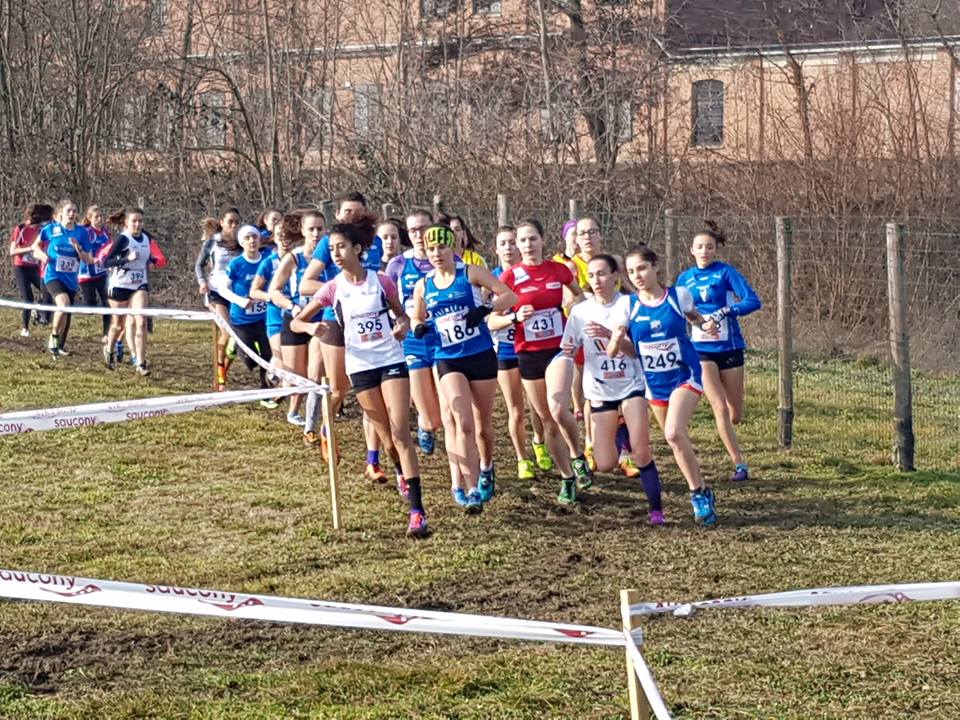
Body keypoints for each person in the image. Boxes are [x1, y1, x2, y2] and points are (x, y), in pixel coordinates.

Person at [291, 215, 430, 539]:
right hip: (360, 367)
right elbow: (297, 322)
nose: (336, 254)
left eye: (341, 247)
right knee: (386, 438)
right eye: (332, 249)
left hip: (391, 360)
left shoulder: (381, 281)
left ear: (357, 248)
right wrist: (310, 327)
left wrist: (402, 326)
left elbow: (401, 315)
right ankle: (399, 470)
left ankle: (417, 511)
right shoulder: (332, 288)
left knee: (400, 431)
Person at [608, 246, 719, 527]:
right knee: (676, 441)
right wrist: (615, 341)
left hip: (685, 375)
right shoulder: (627, 306)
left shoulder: (678, 296)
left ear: (655, 267)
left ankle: (696, 495)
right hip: (655, 385)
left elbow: (694, 317)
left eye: (642, 268)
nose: (637, 276)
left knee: (673, 432)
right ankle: (703, 488)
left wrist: (706, 326)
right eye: (631, 272)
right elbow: (631, 351)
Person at [410, 224, 517, 512]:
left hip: (479, 354)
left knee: (482, 427)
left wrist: (485, 309)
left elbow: (510, 297)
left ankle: (486, 466)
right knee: (462, 421)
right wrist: (418, 326)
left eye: (442, 247)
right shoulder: (424, 284)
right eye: (431, 249)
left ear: (453, 247)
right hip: (447, 358)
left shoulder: (470, 273)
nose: (437, 254)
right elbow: (417, 316)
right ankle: (470, 489)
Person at [561, 255, 665, 525]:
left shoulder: (629, 305)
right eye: (591, 275)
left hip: (631, 384)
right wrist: (560, 374)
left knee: (641, 452)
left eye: (602, 274)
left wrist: (611, 335)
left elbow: (636, 352)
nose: (596, 280)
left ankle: (656, 510)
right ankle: (620, 430)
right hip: (599, 389)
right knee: (605, 463)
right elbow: (568, 350)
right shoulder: (580, 312)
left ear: (616, 276)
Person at [496, 219, 590, 505]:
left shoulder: (558, 270)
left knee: (558, 408)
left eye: (533, 239)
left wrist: (572, 311)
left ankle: (578, 456)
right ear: (517, 245)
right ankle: (567, 477)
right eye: (522, 240)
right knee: (548, 422)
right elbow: (492, 319)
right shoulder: (510, 277)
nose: (528, 245)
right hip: (528, 353)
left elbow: (580, 297)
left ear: (542, 240)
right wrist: (514, 317)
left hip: (557, 350)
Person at [298, 191, 384, 471]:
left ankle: (373, 460)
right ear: (338, 215)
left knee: (369, 389)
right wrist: (340, 288)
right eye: (348, 212)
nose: (353, 217)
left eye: (358, 212)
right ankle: (327, 429)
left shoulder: (376, 243)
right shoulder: (328, 243)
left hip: (371, 322)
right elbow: (305, 284)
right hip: (335, 320)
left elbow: (383, 280)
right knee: (338, 388)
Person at [677, 221, 762, 482]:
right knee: (719, 407)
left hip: (729, 347)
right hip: (701, 349)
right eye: (699, 247)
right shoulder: (684, 279)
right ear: (691, 250)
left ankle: (730, 426)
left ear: (715, 250)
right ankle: (739, 464)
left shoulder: (725, 273)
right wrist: (697, 323)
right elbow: (678, 309)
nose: (704, 251)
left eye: (709, 247)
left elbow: (753, 301)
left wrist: (725, 312)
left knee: (735, 414)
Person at [385, 210, 443, 457]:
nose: (419, 235)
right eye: (413, 230)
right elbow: (388, 298)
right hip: (413, 340)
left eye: (423, 229)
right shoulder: (398, 264)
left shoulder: (446, 258)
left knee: (445, 400)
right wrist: (399, 321)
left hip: (443, 337)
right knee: (429, 415)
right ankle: (424, 424)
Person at [487, 226, 538, 480]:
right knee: (515, 409)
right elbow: (488, 318)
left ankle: (539, 442)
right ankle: (522, 459)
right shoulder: (490, 279)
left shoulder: (529, 274)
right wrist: (511, 318)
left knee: (537, 406)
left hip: (532, 347)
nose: (508, 248)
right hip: (505, 348)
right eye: (502, 244)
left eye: (511, 242)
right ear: (496, 250)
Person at [269, 211, 325, 427]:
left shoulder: (331, 257)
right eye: (311, 229)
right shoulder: (293, 258)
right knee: (296, 373)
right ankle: (293, 411)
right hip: (296, 320)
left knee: (315, 373)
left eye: (320, 229)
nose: (316, 234)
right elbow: (274, 291)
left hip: (321, 320)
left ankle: (313, 419)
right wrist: (291, 306)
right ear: (302, 231)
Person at [31, 199, 96, 358]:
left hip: (71, 279)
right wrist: (42, 256)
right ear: (60, 213)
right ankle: (53, 337)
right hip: (53, 275)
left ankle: (59, 344)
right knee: (63, 303)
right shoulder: (51, 229)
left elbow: (88, 259)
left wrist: (78, 249)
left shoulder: (81, 232)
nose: (72, 214)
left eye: (74, 211)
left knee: (66, 312)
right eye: (69, 211)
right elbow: (34, 247)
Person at [250, 213, 299, 410]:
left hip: (298, 313)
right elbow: (254, 291)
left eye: (288, 235)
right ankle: (279, 389)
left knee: (294, 360)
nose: (284, 239)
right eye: (280, 235)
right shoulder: (268, 263)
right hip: (276, 315)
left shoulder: (301, 259)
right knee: (279, 355)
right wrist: (272, 296)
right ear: (274, 237)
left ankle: (285, 389)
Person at [101, 208, 156, 375]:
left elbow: (149, 255)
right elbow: (106, 263)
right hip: (120, 285)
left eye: (140, 221)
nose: (137, 224)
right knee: (118, 325)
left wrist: (151, 261)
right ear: (126, 223)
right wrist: (127, 259)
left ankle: (141, 363)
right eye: (134, 221)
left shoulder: (147, 238)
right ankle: (109, 349)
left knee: (141, 322)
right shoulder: (123, 239)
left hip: (139, 284)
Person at [219, 225, 272, 389]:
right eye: (247, 238)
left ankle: (266, 392)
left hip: (263, 318)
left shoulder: (267, 260)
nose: (251, 241)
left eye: (254, 237)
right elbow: (222, 290)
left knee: (268, 356)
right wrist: (240, 301)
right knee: (250, 362)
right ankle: (234, 344)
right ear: (242, 243)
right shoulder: (236, 264)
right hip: (241, 320)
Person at [195, 207, 242, 390]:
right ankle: (220, 377)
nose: (234, 226)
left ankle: (223, 372)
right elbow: (199, 265)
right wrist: (202, 282)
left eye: (237, 222)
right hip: (216, 291)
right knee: (227, 332)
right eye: (230, 222)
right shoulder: (212, 242)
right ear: (222, 223)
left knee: (236, 339)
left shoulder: (242, 241)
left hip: (236, 293)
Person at [8, 203, 53, 336]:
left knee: (48, 291)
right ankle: (25, 328)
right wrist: (30, 248)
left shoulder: (41, 230)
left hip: (34, 267)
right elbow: (12, 251)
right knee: (28, 298)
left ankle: (39, 313)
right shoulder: (20, 228)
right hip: (21, 267)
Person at [77, 205, 112, 342]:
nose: (99, 219)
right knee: (90, 306)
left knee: (108, 302)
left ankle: (106, 334)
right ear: (89, 218)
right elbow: (79, 249)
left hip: (102, 273)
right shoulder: (86, 232)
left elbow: (110, 248)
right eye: (96, 217)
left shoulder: (105, 233)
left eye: (101, 216)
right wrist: (90, 257)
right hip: (87, 274)